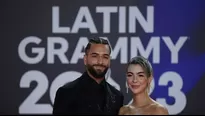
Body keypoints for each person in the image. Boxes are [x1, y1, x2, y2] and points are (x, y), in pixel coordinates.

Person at [52, 37, 124, 115]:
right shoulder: (66, 93)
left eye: (105, 57)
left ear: (109, 61)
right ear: (85, 59)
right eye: (95, 56)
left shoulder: (117, 96)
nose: (100, 61)